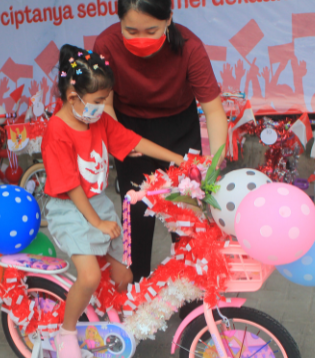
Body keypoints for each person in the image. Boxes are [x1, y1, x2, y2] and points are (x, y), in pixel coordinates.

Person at [42, 45, 184, 358]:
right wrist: (97, 222)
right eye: (98, 100)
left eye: (105, 99)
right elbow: (71, 186)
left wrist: (177, 159)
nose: (102, 107)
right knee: (90, 276)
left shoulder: (98, 120)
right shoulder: (57, 131)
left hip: (99, 205)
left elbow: (132, 141)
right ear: (73, 96)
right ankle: (66, 332)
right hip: (70, 209)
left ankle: (107, 335)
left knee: (123, 276)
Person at [93, 0, 228, 282]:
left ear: (169, 19)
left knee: (186, 218)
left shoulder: (190, 47)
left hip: (180, 131)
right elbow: (105, 104)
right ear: (119, 22)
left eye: (151, 31)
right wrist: (120, 140)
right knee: (137, 214)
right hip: (130, 132)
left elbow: (214, 110)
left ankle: (190, 290)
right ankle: (137, 290)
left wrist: (214, 165)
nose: (141, 39)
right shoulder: (106, 45)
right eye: (131, 31)